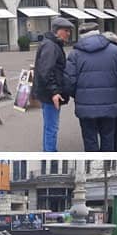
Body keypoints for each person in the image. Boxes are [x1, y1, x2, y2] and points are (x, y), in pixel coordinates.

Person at [64, 22, 117, 151]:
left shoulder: (74, 55)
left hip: (85, 106)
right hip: (109, 104)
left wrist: (79, 94)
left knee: (90, 141)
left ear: (81, 35)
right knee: (108, 139)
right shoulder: (115, 51)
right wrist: (114, 91)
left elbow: (68, 82)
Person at [33, 18, 73, 151]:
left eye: (69, 31)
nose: (68, 34)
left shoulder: (51, 44)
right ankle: (50, 153)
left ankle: (48, 150)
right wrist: (55, 92)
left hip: (47, 93)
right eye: (66, 31)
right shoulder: (51, 46)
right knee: (52, 127)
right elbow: (46, 71)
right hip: (50, 95)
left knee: (49, 125)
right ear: (57, 31)